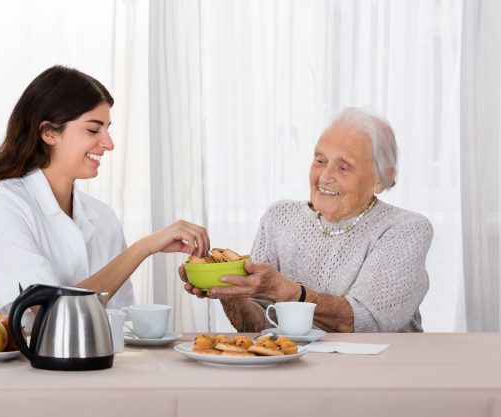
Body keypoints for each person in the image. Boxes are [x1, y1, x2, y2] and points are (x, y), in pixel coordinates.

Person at [0, 65, 209, 321]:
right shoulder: (2, 205)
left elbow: (118, 320)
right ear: (48, 132)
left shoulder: (103, 216)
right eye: (93, 130)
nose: (109, 143)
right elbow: (49, 309)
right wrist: (143, 248)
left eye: (108, 128)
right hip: (19, 360)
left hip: (95, 361)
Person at [180, 108, 433, 333]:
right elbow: (257, 327)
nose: (325, 176)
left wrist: (290, 292)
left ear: (380, 178)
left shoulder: (405, 229)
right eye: (320, 160)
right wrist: (230, 290)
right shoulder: (279, 218)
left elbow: (369, 324)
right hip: (298, 370)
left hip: (382, 371)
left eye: (343, 167)